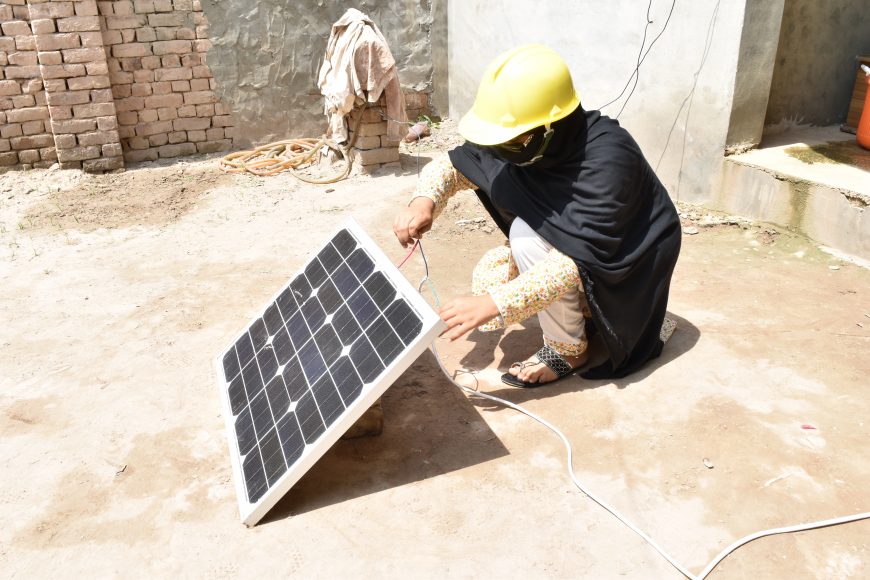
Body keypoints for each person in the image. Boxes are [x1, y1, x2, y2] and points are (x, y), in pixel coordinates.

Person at [393, 45, 681, 387]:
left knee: (528, 241)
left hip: (631, 264)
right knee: (510, 252)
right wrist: (423, 202)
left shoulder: (608, 161)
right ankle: (583, 315)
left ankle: (569, 349)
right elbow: (459, 166)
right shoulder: (521, 141)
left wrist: (495, 303)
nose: (500, 150)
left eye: (511, 141)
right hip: (586, 249)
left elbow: (576, 260)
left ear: (550, 128)